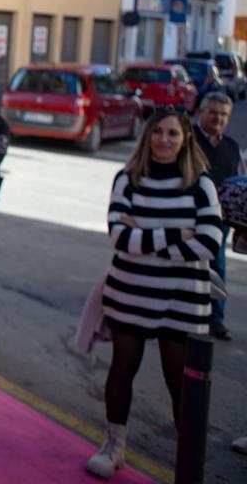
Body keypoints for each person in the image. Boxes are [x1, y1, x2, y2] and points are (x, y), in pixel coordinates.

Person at [85, 108, 224, 478]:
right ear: (147, 136)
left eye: (173, 133)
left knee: (181, 383)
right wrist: (179, 234)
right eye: (157, 131)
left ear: (186, 138)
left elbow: (209, 244)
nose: (164, 139)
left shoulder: (201, 184)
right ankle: (114, 447)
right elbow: (119, 238)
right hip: (130, 294)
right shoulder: (127, 179)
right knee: (122, 369)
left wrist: (145, 238)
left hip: (183, 301)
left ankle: (189, 465)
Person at [190, 91, 242, 341]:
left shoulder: (232, 147)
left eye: (224, 115)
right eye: (213, 112)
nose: (218, 118)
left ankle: (215, 319)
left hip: (218, 223)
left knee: (217, 268)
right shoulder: (186, 139)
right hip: (187, 218)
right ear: (201, 112)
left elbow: (239, 184)